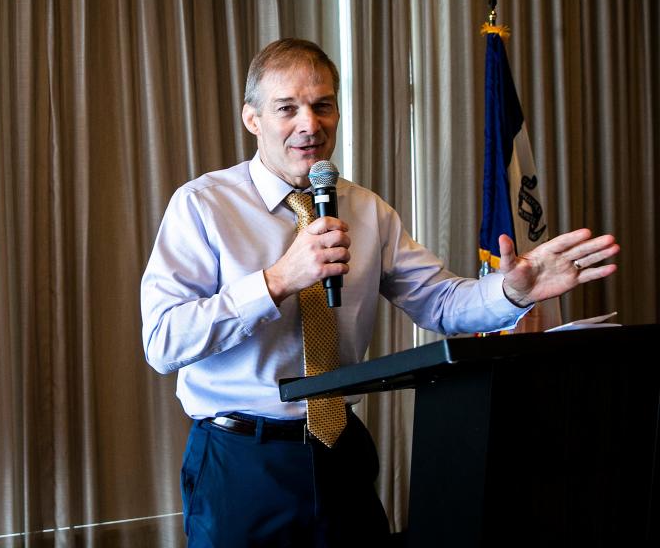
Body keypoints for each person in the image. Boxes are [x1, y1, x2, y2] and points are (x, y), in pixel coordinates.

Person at [140, 38, 619, 547]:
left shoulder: (366, 210)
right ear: (252, 119)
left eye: (323, 105)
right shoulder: (203, 206)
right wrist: (278, 280)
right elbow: (164, 343)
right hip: (241, 461)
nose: (310, 124)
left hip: (339, 450)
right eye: (288, 109)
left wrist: (511, 291)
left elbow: (439, 301)